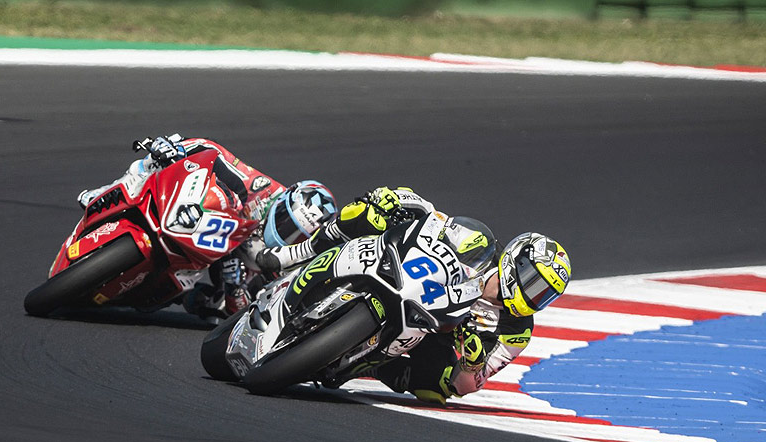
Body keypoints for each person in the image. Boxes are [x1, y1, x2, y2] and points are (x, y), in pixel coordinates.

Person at [256, 186, 571, 404]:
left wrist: (473, 364)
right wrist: (395, 199)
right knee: (366, 214)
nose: (534, 296)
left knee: (438, 387)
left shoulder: (517, 332)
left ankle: (369, 365)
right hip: (410, 275)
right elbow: (434, 219)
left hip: (433, 331)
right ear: (518, 260)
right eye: (534, 283)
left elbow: (466, 386)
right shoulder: (479, 243)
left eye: (544, 294)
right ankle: (295, 254)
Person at [77, 134, 337, 319]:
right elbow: (215, 152)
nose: (285, 234)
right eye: (286, 221)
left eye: (296, 235)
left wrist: (235, 288)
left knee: (213, 307)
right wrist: (178, 148)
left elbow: (247, 314)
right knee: (153, 163)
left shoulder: (288, 264)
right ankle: (109, 191)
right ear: (283, 201)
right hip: (207, 227)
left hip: (223, 267)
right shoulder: (265, 190)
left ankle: (168, 288)